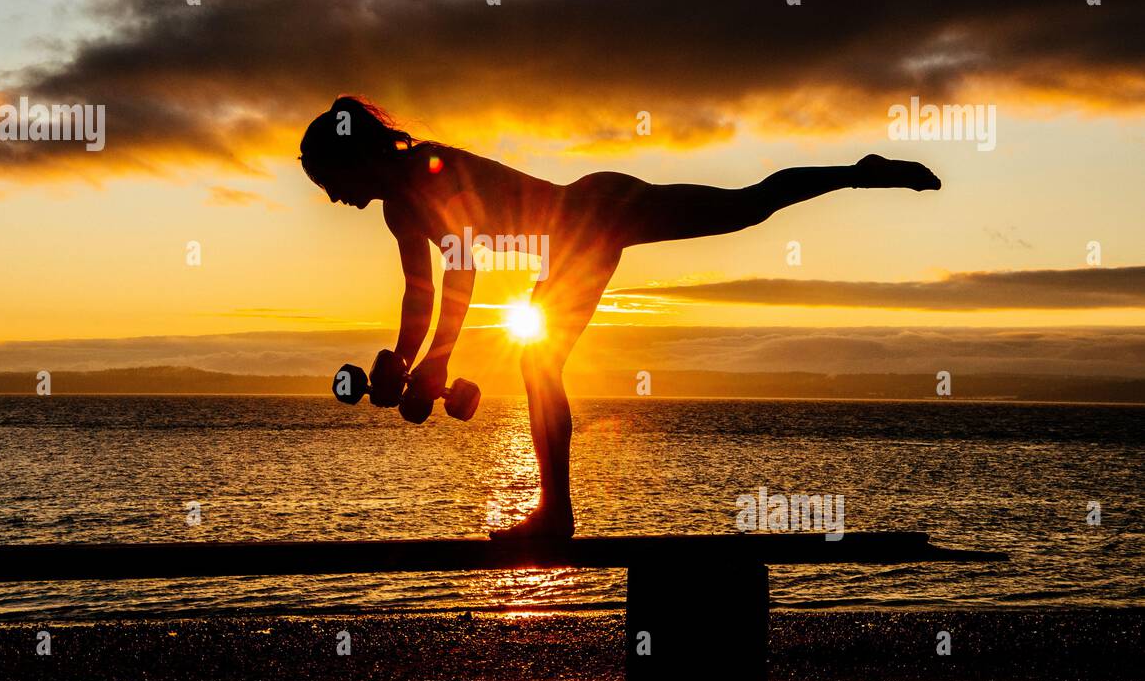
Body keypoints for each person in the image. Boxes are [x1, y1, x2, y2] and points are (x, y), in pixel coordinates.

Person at [301, 96, 941, 539]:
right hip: (582, 231)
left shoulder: (429, 172)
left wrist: (437, 359)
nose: (332, 197)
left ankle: (858, 174)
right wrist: (403, 359)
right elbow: (420, 294)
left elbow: (460, 267)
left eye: (329, 180)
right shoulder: (397, 209)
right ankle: (556, 513)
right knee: (540, 357)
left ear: (352, 158)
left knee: (747, 207)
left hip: (593, 216)